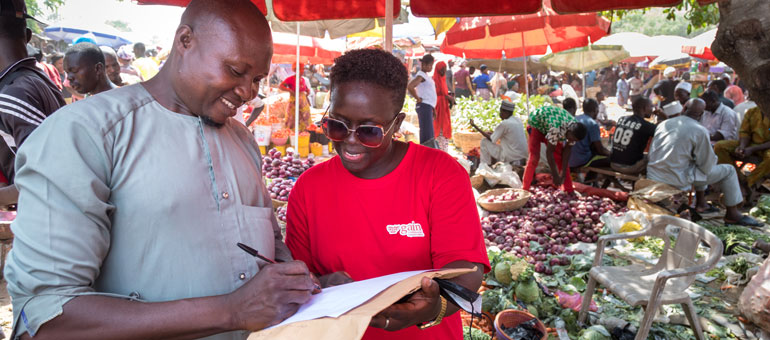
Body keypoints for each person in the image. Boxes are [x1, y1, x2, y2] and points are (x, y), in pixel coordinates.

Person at [4, 1, 319, 339]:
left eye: (257, 79)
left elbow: (269, 247)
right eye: (235, 70)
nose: (248, 92)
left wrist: (308, 290)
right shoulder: (85, 135)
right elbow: (47, 317)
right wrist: (232, 310)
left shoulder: (242, 140)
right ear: (185, 41)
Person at [285, 48, 489, 340]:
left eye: (369, 131)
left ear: (397, 123)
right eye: (337, 126)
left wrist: (431, 309)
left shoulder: (441, 174)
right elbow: (297, 276)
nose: (351, 142)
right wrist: (319, 283)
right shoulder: (308, 188)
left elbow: (466, 273)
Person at [647, 98, 761, 226]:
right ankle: (732, 214)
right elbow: (707, 166)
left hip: (653, 175)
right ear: (701, 115)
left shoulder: (664, 124)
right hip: (676, 179)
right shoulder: (699, 130)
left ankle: (701, 204)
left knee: (696, 165)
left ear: (684, 108)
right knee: (728, 170)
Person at [0, 0, 65, 208]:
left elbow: (45, 177)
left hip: (46, 222)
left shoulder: (11, 95)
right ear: (28, 36)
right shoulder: (38, 79)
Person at [522, 105, 587, 193]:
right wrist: (555, 174)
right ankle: (525, 189)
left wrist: (563, 173)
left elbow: (566, 152)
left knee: (559, 158)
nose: (571, 141)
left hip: (549, 124)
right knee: (534, 158)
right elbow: (549, 153)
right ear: (569, 132)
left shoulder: (575, 130)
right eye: (571, 139)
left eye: (574, 140)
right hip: (536, 124)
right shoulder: (556, 128)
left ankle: (568, 189)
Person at [715, 106, 770, 188]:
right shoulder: (752, 111)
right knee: (720, 146)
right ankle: (735, 178)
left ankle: (749, 182)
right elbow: (744, 132)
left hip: (766, 147)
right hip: (751, 144)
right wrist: (742, 147)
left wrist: (752, 149)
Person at [610, 97, 666, 175]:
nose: (652, 109)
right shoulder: (646, 126)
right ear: (644, 108)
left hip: (613, 163)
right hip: (630, 167)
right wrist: (665, 116)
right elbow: (665, 132)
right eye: (651, 106)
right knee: (657, 159)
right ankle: (646, 185)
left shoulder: (621, 119)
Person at [470, 100, 527, 166]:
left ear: (505, 112)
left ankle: (485, 165)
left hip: (510, 157)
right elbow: (505, 134)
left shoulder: (505, 123)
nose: (500, 114)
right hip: (522, 156)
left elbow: (492, 139)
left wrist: (476, 127)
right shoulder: (518, 121)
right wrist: (491, 133)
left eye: (501, 111)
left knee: (484, 141)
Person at [569, 98, 611, 171]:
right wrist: (611, 154)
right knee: (610, 160)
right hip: (581, 160)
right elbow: (600, 150)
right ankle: (597, 180)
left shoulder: (575, 118)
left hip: (569, 159)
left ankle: (591, 180)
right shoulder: (592, 124)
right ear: (595, 109)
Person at [407, 54, 436, 144]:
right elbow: (410, 86)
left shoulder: (425, 76)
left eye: (432, 65)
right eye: (430, 65)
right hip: (424, 106)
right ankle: (426, 152)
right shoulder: (421, 75)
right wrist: (418, 99)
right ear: (424, 65)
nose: (431, 67)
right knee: (426, 134)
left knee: (428, 133)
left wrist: (433, 108)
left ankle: (427, 152)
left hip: (428, 106)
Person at [279, 62, 312, 132]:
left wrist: (307, 91)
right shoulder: (290, 79)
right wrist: (289, 90)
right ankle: (292, 134)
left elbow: (305, 88)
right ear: (296, 70)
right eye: (301, 69)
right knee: (293, 118)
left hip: (303, 103)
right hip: (294, 102)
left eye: (303, 69)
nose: (303, 71)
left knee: (304, 118)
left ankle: (303, 134)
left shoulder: (303, 80)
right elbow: (281, 86)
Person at [432, 61, 453, 150]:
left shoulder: (443, 79)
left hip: (444, 109)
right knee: (438, 128)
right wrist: (445, 97)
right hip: (437, 108)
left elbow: (444, 93)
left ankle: (443, 150)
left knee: (444, 128)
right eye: (441, 70)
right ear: (437, 70)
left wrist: (448, 98)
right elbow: (433, 95)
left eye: (444, 69)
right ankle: (438, 150)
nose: (443, 71)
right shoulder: (433, 80)